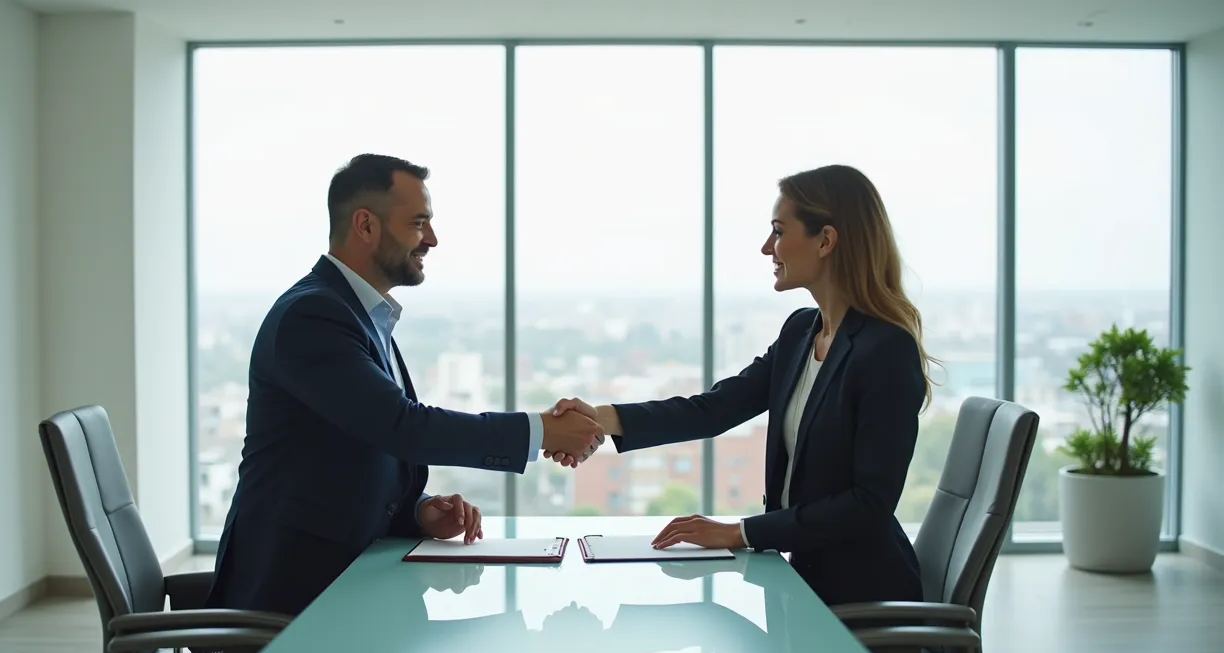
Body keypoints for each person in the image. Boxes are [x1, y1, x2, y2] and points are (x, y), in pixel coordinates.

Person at [205, 154, 604, 618]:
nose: (432, 239)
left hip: (348, 585)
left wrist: (416, 511)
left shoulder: (361, 315)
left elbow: (353, 452)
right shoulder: (313, 317)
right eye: (419, 223)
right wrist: (541, 432)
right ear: (365, 226)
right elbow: (402, 426)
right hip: (297, 596)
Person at [549, 164, 933, 610]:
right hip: (800, 581)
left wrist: (740, 532)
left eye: (778, 231)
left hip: (863, 597)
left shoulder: (885, 350)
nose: (767, 247)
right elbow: (714, 409)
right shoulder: (801, 333)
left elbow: (868, 505)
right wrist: (600, 417)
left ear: (825, 240)